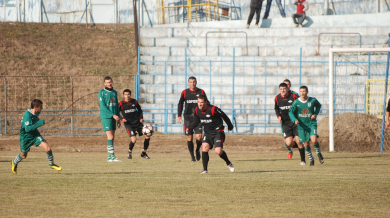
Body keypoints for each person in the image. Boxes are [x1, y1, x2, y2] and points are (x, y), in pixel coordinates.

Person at [187, 94, 235, 174]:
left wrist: (229, 125)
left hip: (218, 132)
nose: (199, 104)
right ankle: (205, 170)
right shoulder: (197, 110)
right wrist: (190, 128)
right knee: (205, 147)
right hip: (207, 133)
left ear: (206, 102)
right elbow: (196, 120)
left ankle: (228, 163)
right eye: (198, 102)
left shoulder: (213, 109)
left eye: (201, 102)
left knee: (218, 151)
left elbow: (224, 115)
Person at [11, 99, 62, 174]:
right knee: (23, 156)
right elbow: (27, 129)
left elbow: (34, 117)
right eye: (41, 107)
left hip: (35, 134)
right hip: (25, 137)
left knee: (48, 149)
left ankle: (52, 164)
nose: (42, 108)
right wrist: (39, 123)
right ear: (35, 107)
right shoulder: (27, 115)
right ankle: (14, 162)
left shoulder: (36, 111)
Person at [289, 86, 324, 166]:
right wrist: (294, 119)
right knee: (306, 144)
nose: (302, 93)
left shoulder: (312, 100)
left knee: (314, 140)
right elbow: (290, 112)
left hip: (311, 124)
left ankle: (319, 154)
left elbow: (318, 106)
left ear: (307, 92)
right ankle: (311, 160)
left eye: (304, 91)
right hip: (301, 126)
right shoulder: (296, 102)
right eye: (301, 91)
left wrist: (315, 114)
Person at [275, 83, 306, 165]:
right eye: (281, 89)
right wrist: (278, 116)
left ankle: (303, 160)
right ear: (279, 89)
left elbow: (301, 104)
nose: (283, 91)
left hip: (295, 122)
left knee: (299, 141)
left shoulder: (293, 96)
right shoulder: (277, 98)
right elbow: (276, 108)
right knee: (289, 143)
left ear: (287, 88)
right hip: (285, 123)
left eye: (284, 89)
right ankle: (303, 148)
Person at [178, 76, 208, 162]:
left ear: (196, 82)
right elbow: (180, 103)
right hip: (188, 118)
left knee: (199, 137)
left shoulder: (201, 91)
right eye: (191, 82)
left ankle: (197, 149)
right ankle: (192, 157)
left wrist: (206, 113)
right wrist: (179, 115)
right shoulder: (185, 92)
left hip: (198, 118)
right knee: (189, 137)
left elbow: (206, 102)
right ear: (188, 83)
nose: (192, 84)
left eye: (194, 82)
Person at [119, 89, 151, 159]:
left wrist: (141, 118)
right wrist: (122, 119)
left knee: (148, 136)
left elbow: (139, 110)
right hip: (129, 124)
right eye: (126, 94)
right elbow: (117, 113)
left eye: (128, 94)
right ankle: (129, 152)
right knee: (134, 139)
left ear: (130, 94)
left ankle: (144, 153)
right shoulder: (121, 104)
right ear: (123, 95)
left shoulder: (134, 101)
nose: (127, 96)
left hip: (137, 123)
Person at [99, 76, 121, 162]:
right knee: (110, 137)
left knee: (112, 137)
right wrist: (113, 115)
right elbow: (103, 107)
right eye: (107, 82)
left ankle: (110, 156)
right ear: (104, 83)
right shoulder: (102, 92)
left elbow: (116, 106)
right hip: (106, 117)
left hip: (114, 117)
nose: (109, 83)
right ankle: (112, 156)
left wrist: (118, 118)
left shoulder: (115, 92)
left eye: (110, 82)